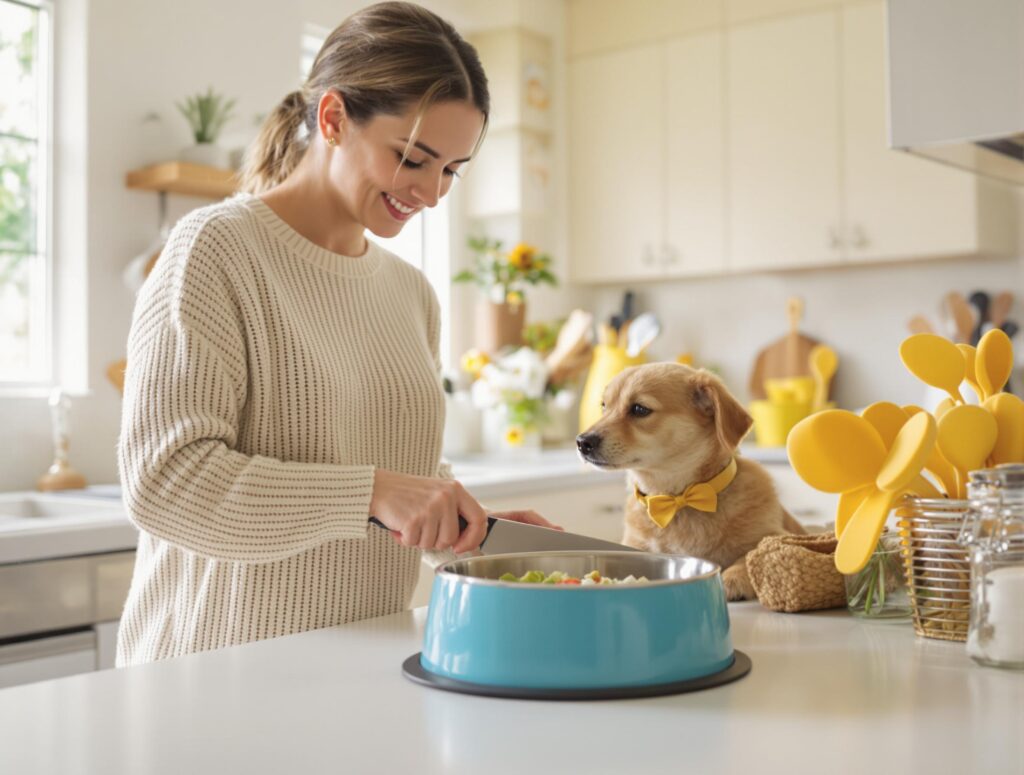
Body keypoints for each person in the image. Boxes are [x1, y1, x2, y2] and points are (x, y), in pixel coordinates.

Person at [116, 1, 556, 666]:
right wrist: (376, 491)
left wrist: (467, 527)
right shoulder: (215, 250)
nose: (432, 193)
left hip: (361, 672)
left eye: (451, 171)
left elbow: (390, 486)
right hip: (212, 680)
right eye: (413, 158)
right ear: (332, 118)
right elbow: (165, 482)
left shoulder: (412, 295)